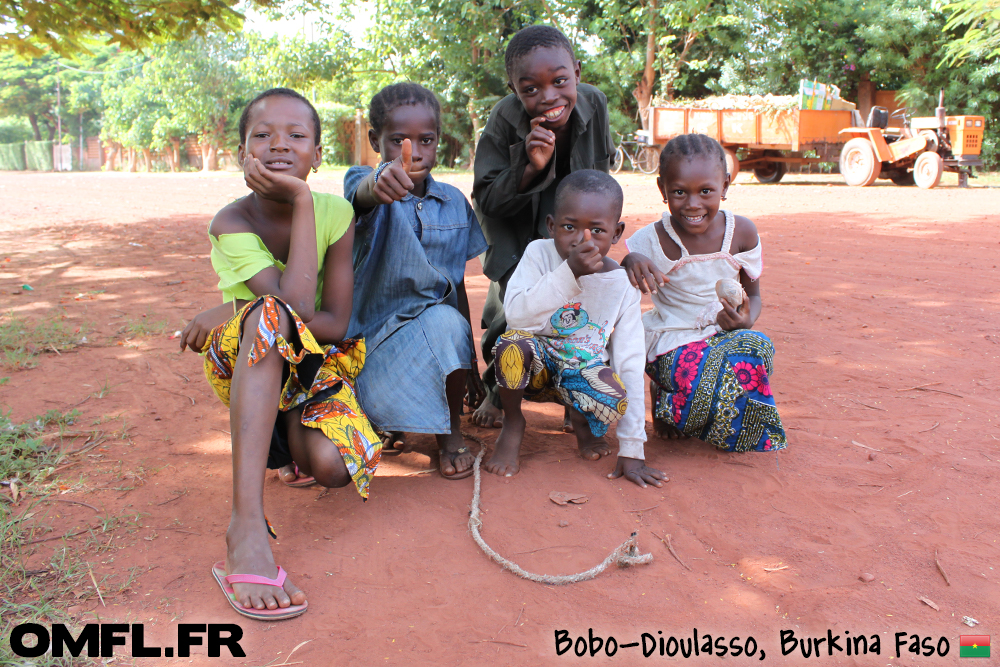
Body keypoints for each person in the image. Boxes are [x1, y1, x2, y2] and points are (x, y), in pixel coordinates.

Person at [179, 88, 380, 619]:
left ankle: (288, 442)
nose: (279, 146)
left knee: (335, 467)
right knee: (267, 317)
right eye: (262, 135)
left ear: (317, 154)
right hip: (247, 357)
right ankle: (245, 527)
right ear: (241, 153)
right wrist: (240, 313)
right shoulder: (231, 221)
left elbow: (334, 323)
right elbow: (285, 307)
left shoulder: (336, 212)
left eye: (297, 136)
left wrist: (305, 202)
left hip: (316, 364)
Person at [471, 24, 617, 431]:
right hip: (513, 222)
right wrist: (530, 166)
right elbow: (487, 197)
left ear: (577, 72)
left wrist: (598, 229)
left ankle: (573, 393)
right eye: (530, 88)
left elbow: (601, 176)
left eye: (559, 81)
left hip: (574, 222)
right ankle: (498, 391)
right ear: (514, 89)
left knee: (583, 302)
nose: (548, 96)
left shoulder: (595, 104)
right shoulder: (504, 119)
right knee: (513, 307)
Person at [485, 170, 666, 489]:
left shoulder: (622, 286)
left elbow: (630, 360)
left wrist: (633, 449)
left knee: (614, 394)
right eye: (570, 227)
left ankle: (581, 419)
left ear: (616, 233)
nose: (582, 240)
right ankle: (513, 422)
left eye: (597, 230)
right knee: (511, 345)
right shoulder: (539, 255)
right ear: (551, 225)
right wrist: (568, 274)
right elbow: (517, 317)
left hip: (581, 370)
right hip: (535, 366)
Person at [343, 82, 488, 480]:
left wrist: (469, 359)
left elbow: (455, 284)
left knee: (447, 322)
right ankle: (386, 413)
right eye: (398, 141)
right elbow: (360, 194)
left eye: (426, 139)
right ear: (376, 141)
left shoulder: (454, 201)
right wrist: (378, 186)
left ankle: (449, 433)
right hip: (370, 344)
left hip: (435, 335)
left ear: (439, 140)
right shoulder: (364, 183)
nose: (414, 151)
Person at [621, 133, 787, 452]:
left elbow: (754, 296)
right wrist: (630, 260)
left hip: (720, 335)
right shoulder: (652, 240)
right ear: (662, 190)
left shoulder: (742, 232)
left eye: (706, 191)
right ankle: (668, 402)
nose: (693, 204)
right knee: (700, 374)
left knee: (758, 348)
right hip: (671, 340)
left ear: (725, 186)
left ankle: (741, 428)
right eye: (680, 192)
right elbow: (617, 283)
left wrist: (743, 320)